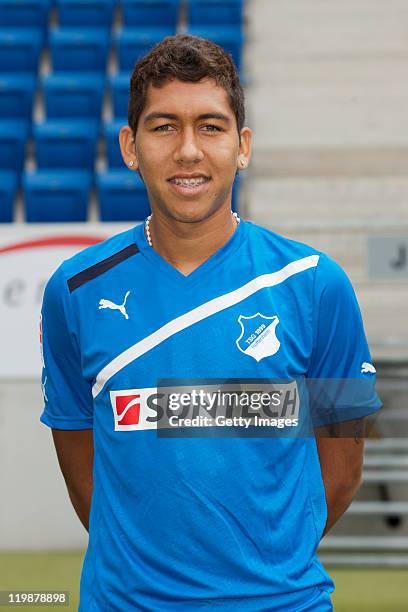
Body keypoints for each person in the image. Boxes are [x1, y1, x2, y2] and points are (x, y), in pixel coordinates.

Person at [40, 35, 382, 611]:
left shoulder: (316, 283)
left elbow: (342, 468)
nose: (189, 151)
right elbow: (82, 470)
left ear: (242, 146)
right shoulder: (74, 290)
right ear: (131, 146)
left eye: (211, 126)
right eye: (164, 126)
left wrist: (265, 564)